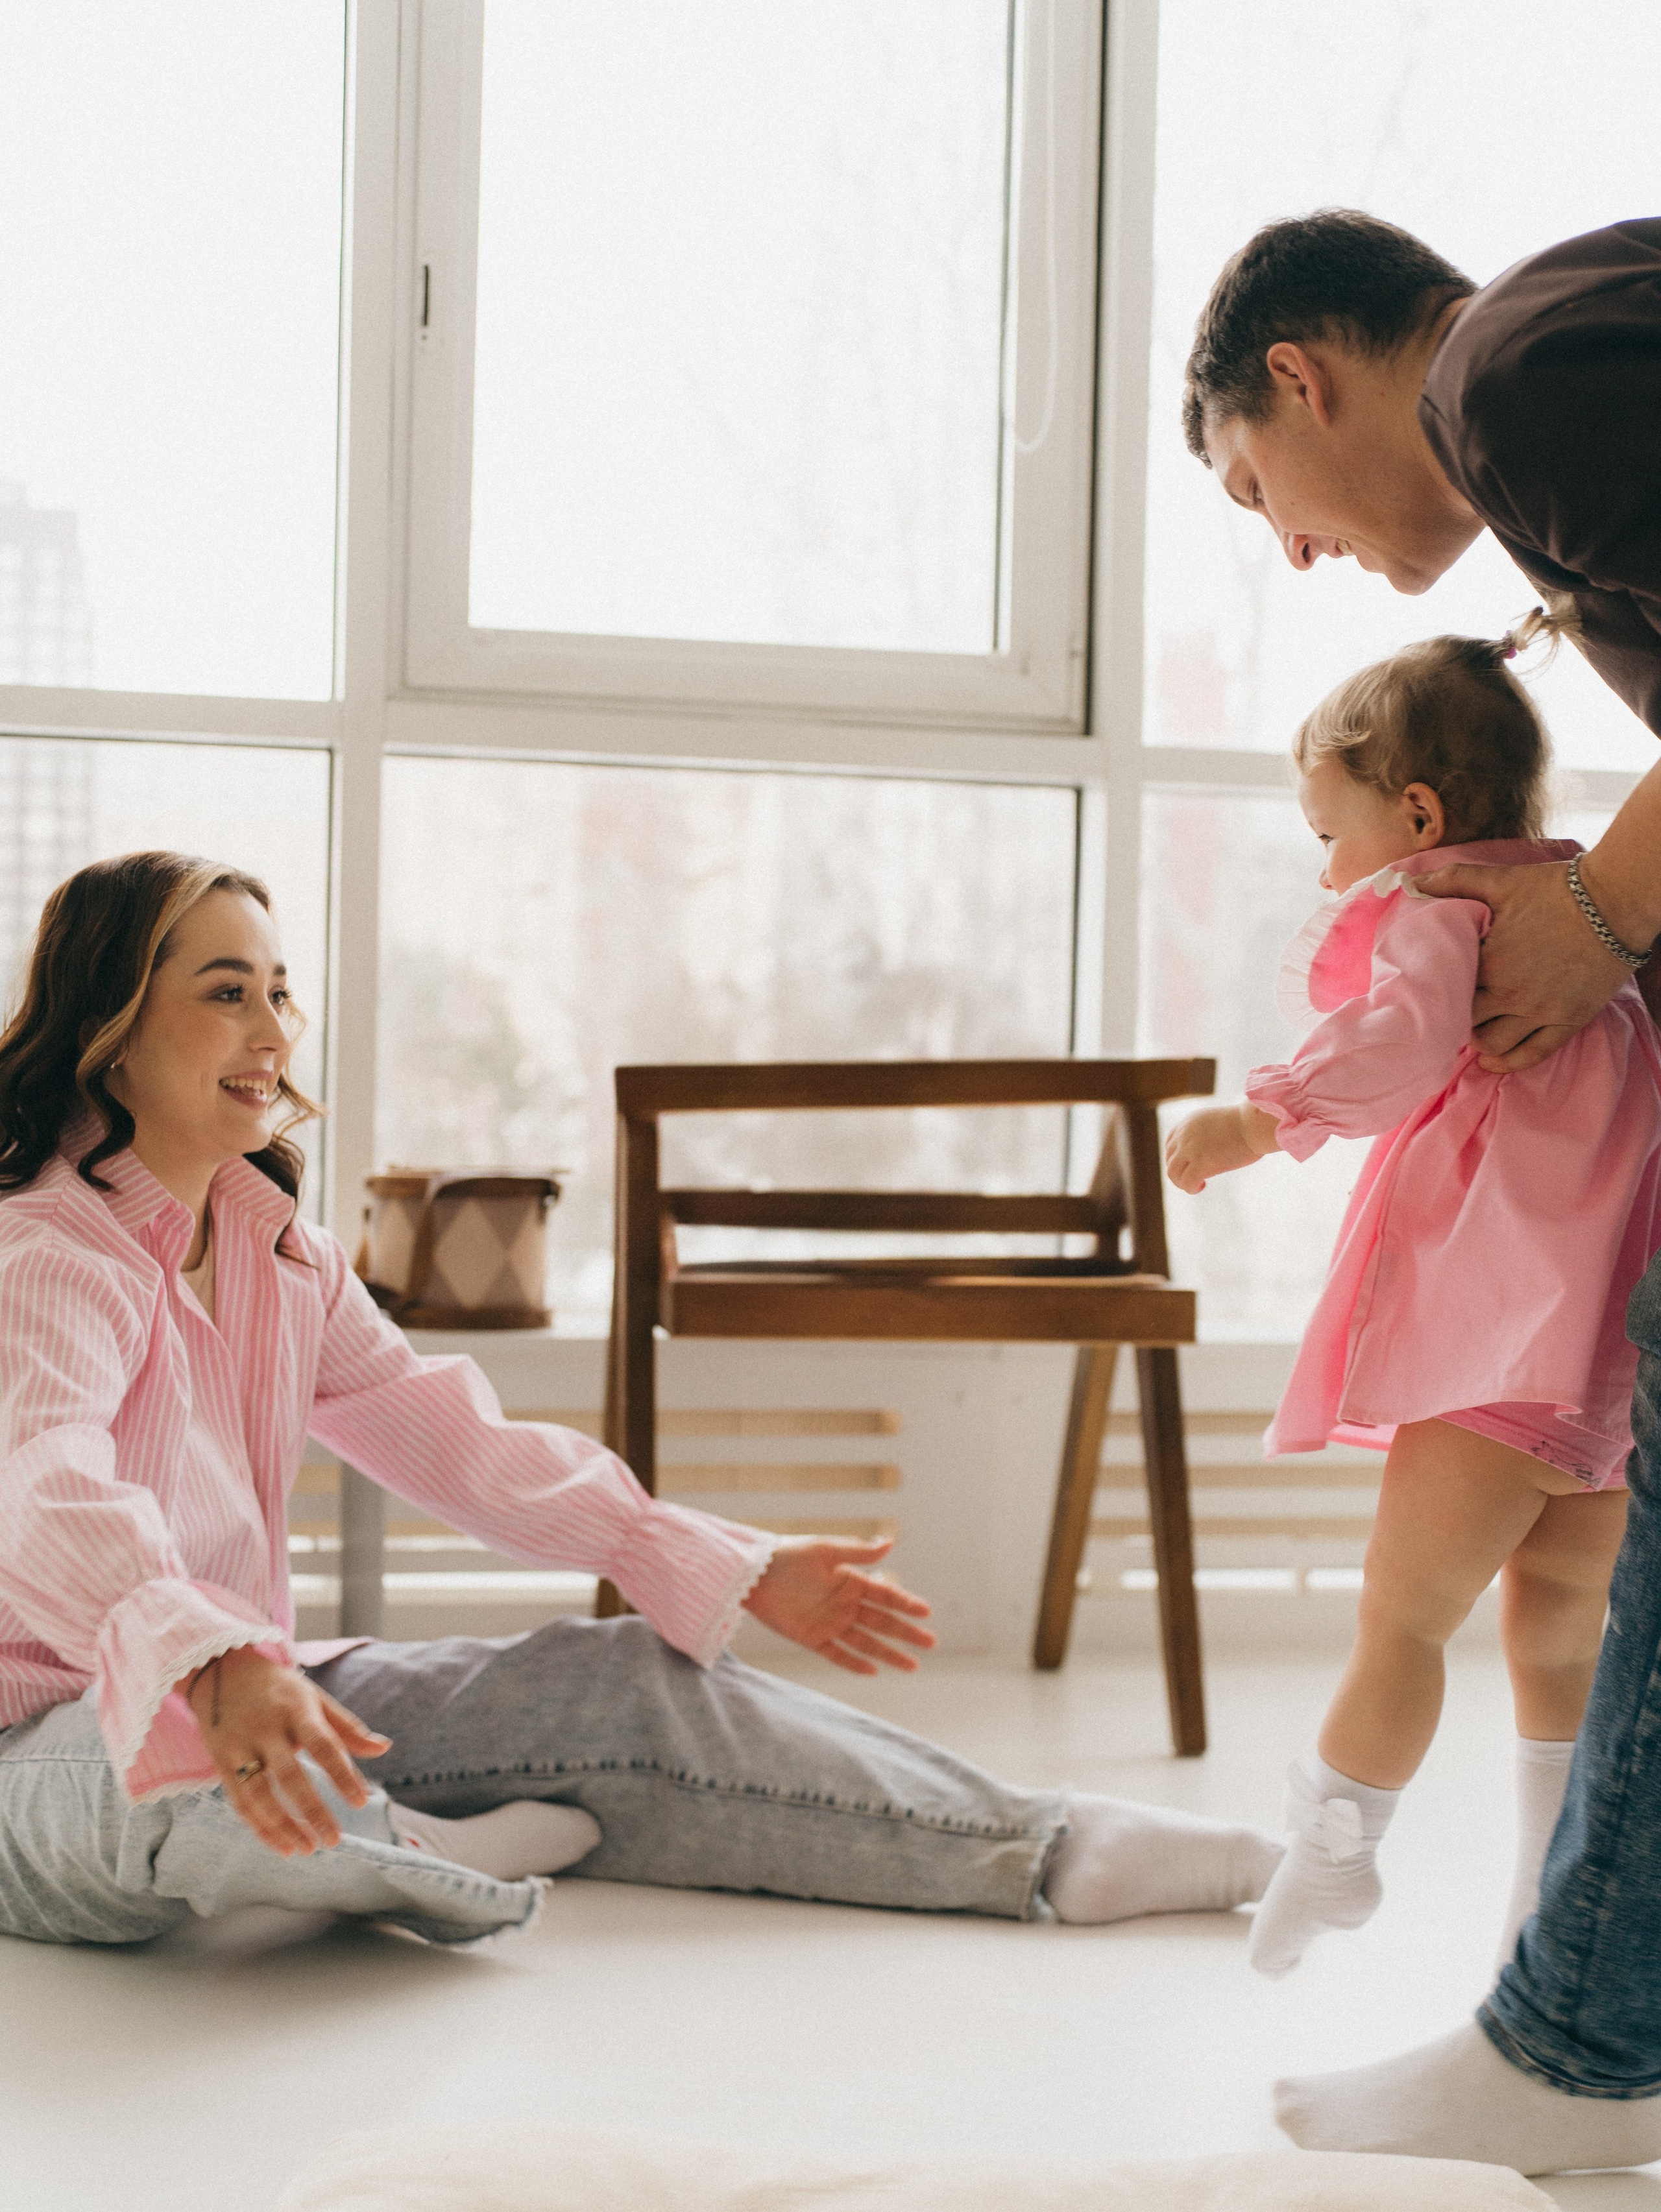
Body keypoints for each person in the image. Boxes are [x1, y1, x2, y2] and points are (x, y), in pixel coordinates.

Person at [0, 849, 1282, 1951]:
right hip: (43, 1748)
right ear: (111, 1025)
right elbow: (46, 1484)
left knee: (619, 1678)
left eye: (279, 992)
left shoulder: (282, 1254)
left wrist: (713, 1557)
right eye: (226, 993)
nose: (275, 1033)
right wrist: (209, 1660)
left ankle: (1047, 1845)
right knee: (170, 1773)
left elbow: (461, 1444)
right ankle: (421, 1844)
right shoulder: (48, 1254)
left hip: (251, 1689)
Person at [1183, 208, 1661, 2172]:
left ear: (1301, 379)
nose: (1292, 548)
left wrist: (1604, 915)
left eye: (1253, 489)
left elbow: (1395, 1040)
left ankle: (1552, 2023)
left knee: (1475, 1615)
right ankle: (1568, 2004)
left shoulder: (1511, 376)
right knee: (1584, 1621)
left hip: (1501, 1343)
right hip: (1586, 1328)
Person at [1166, 620, 1661, 1981]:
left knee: (1402, 1619)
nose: (1327, 870)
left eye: (1330, 834)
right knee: (1557, 1640)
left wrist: (1259, 1119)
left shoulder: (1449, 912)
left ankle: (1334, 1850)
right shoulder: (1603, 923)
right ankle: (1544, 1907)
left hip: (1497, 1351)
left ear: (1420, 816)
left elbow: (1394, 1045)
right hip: (1613, 1371)